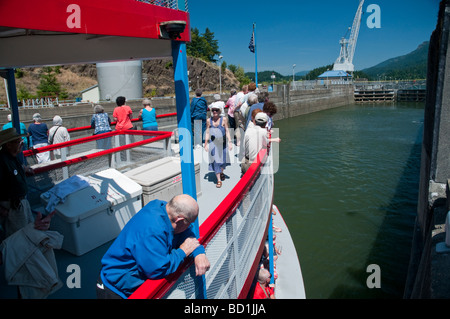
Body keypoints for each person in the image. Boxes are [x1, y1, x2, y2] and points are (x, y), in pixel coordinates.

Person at [97, 194, 210, 299]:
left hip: (131, 287)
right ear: (179, 219)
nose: (191, 226)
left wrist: (198, 252)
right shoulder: (152, 231)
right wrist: (182, 252)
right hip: (114, 290)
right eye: (190, 222)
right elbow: (157, 270)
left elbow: (186, 234)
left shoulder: (164, 209)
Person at [0, 128, 55, 241]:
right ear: (8, 145)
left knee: (30, 232)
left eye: (21, 140)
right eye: (18, 141)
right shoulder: (2, 160)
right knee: (18, 238)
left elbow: (17, 168)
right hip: (11, 208)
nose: (22, 143)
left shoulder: (13, 158)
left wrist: (24, 168)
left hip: (21, 204)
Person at [204, 103, 233, 188]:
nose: (215, 112)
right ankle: (219, 180)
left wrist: (230, 142)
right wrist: (206, 144)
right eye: (213, 110)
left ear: (220, 111)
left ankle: (221, 172)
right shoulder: (209, 120)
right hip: (213, 143)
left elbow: (227, 131)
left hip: (222, 143)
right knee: (216, 161)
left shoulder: (224, 119)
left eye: (216, 110)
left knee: (223, 160)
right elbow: (207, 132)